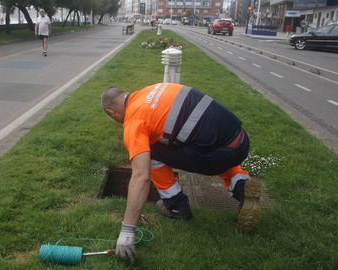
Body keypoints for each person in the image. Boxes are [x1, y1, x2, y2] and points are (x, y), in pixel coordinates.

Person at [101, 83, 262, 264]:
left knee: (151, 152)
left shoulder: (134, 121)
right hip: (241, 141)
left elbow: (141, 176)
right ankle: (242, 185)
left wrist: (127, 230)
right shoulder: (155, 88)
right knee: (200, 141)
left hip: (217, 155)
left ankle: (176, 205)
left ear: (111, 112)